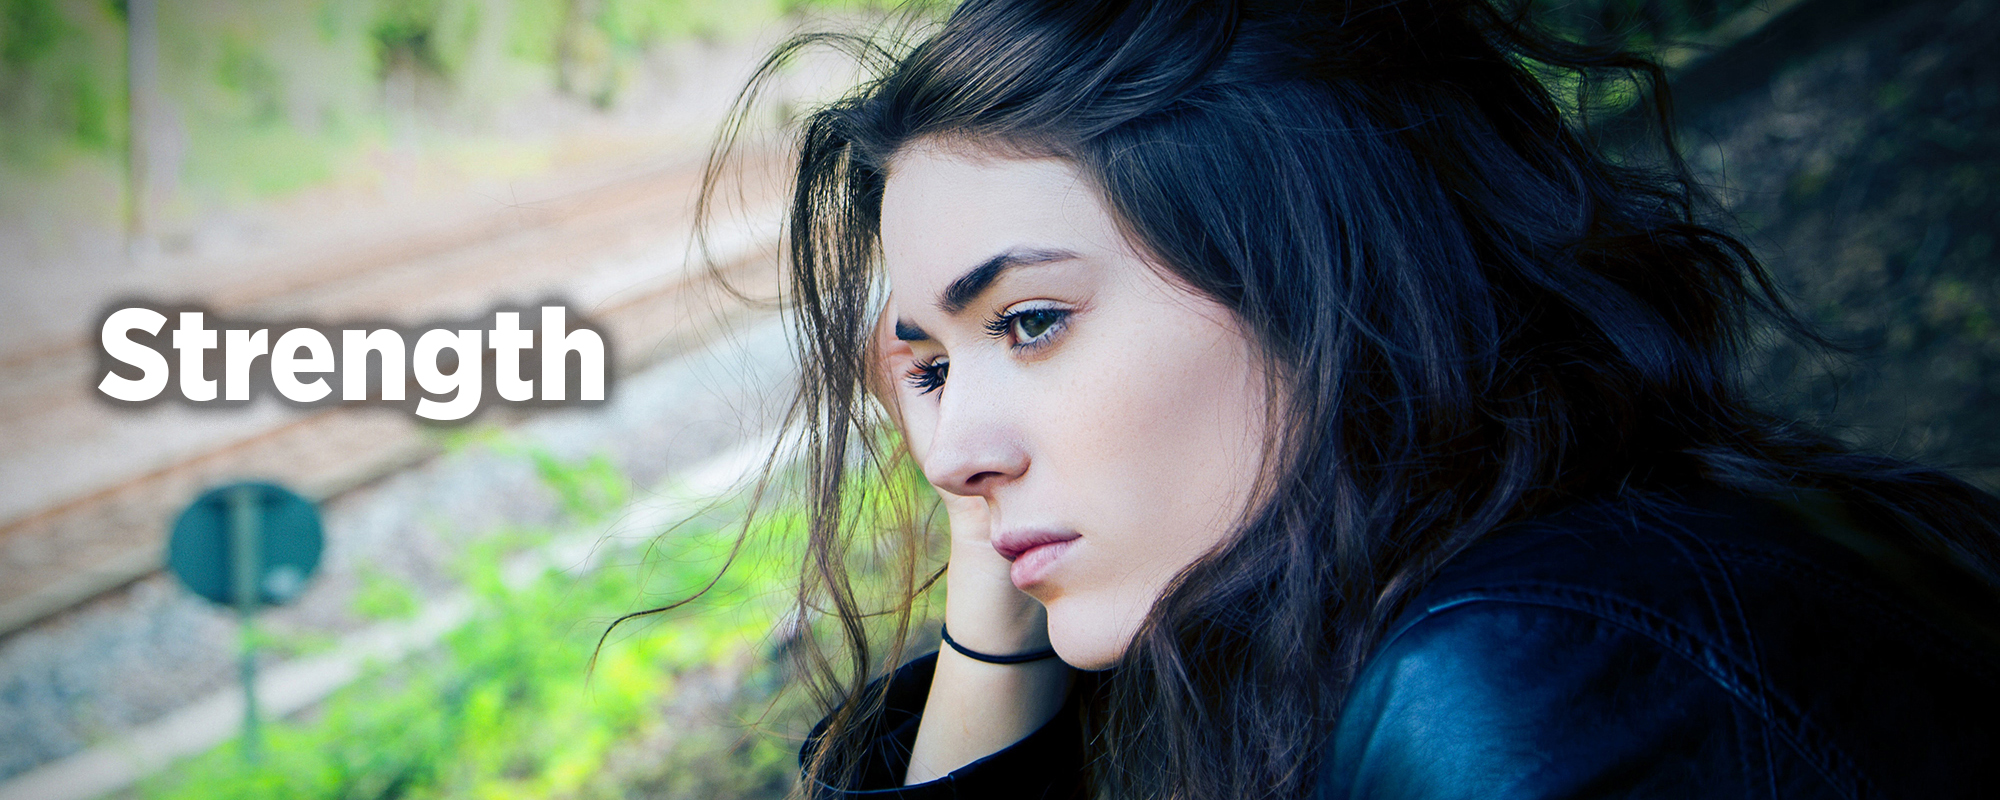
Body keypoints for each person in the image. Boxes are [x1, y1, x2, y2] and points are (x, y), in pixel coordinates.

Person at [692, 0, 2000, 796]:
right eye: (927, 367)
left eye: (1031, 323)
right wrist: (996, 635)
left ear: (1313, 284)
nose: (953, 456)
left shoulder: (1518, 686)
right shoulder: (1337, 630)